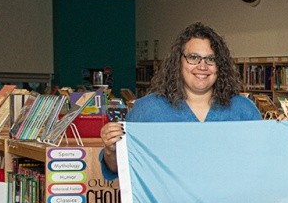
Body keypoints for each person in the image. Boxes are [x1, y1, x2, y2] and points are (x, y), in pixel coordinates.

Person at [99, 22, 263, 181]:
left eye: (211, 59)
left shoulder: (243, 110)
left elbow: (262, 162)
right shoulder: (148, 110)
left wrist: (283, 133)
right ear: (178, 61)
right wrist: (111, 150)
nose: (202, 66)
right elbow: (118, 168)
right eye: (193, 57)